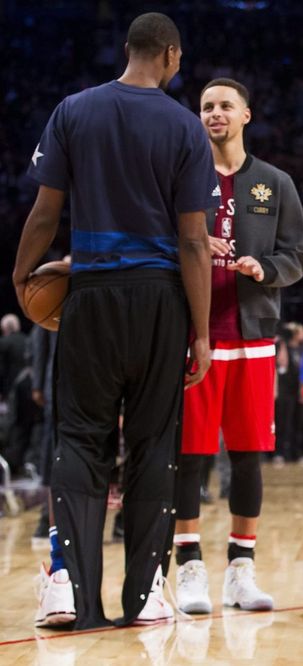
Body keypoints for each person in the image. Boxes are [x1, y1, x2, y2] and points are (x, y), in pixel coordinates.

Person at [13, 12, 215, 629]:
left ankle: (70, 588)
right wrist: (201, 332)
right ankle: (145, 593)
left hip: (92, 297)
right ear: (173, 56)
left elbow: (46, 214)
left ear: (127, 50)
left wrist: (22, 276)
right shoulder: (184, 126)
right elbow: (193, 243)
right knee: (153, 442)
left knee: (78, 439)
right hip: (160, 301)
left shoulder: (72, 111)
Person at [172, 78, 303, 615]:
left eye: (225, 105)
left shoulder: (274, 183)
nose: (214, 114)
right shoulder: (182, 180)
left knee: (249, 457)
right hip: (194, 336)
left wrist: (265, 267)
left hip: (253, 337)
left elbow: (297, 254)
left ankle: (240, 569)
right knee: (191, 458)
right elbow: (163, 242)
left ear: (246, 115)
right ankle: (187, 568)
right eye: (206, 106)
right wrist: (190, 244)